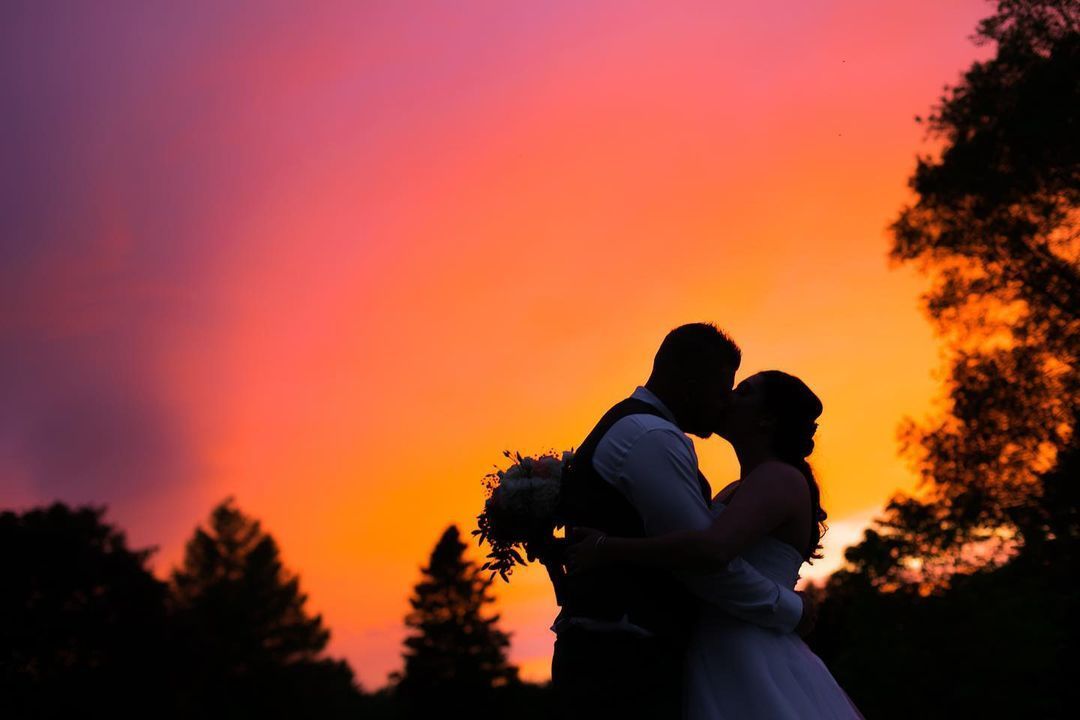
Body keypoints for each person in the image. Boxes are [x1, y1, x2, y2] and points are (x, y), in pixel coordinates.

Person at [548, 323, 812, 719]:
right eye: (724, 389)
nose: (726, 402)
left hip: (670, 652)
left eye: (739, 392)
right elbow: (704, 563)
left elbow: (704, 553)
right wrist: (792, 609)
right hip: (626, 657)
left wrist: (606, 550)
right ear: (691, 382)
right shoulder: (653, 436)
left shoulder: (641, 429)